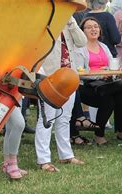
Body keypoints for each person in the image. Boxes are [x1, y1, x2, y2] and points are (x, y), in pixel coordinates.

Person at [35, 17, 87, 172]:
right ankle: (43, 160)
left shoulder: (68, 22)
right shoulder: (43, 20)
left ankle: (66, 155)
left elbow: (82, 42)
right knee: (46, 119)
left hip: (69, 77)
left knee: (64, 118)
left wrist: (71, 22)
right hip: (50, 77)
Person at [77, 17, 122, 145]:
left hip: (106, 85)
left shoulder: (104, 46)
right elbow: (79, 73)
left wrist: (109, 73)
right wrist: (99, 75)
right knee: (109, 99)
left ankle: (120, 131)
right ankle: (98, 135)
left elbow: (112, 65)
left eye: (96, 26)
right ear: (82, 31)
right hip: (87, 86)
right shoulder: (80, 49)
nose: (93, 29)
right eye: (89, 27)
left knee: (121, 97)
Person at [2, 106, 27, 179]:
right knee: (19, 124)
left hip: (17, 95)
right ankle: (12, 162)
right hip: (4, 95)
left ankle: (7, 163)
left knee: (11, 125)